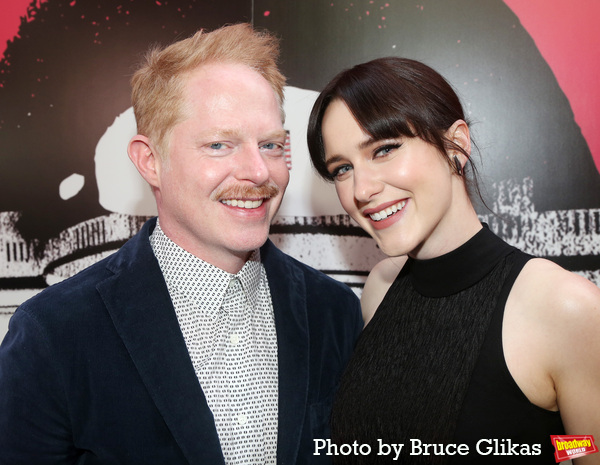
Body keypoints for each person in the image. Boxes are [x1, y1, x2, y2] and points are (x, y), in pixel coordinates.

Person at [0, 24, 362, 465]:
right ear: (150, 161)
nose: (259, 171)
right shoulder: (55, 333)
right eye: (218, 145)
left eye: (270, 145)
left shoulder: (334, 311)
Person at [307, 57, 600, 463]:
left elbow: (585, 449)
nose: (362, 189)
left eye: (385, 149)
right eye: (342, 168)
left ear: (455, 145)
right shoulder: (379, 289)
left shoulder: (565, 306)